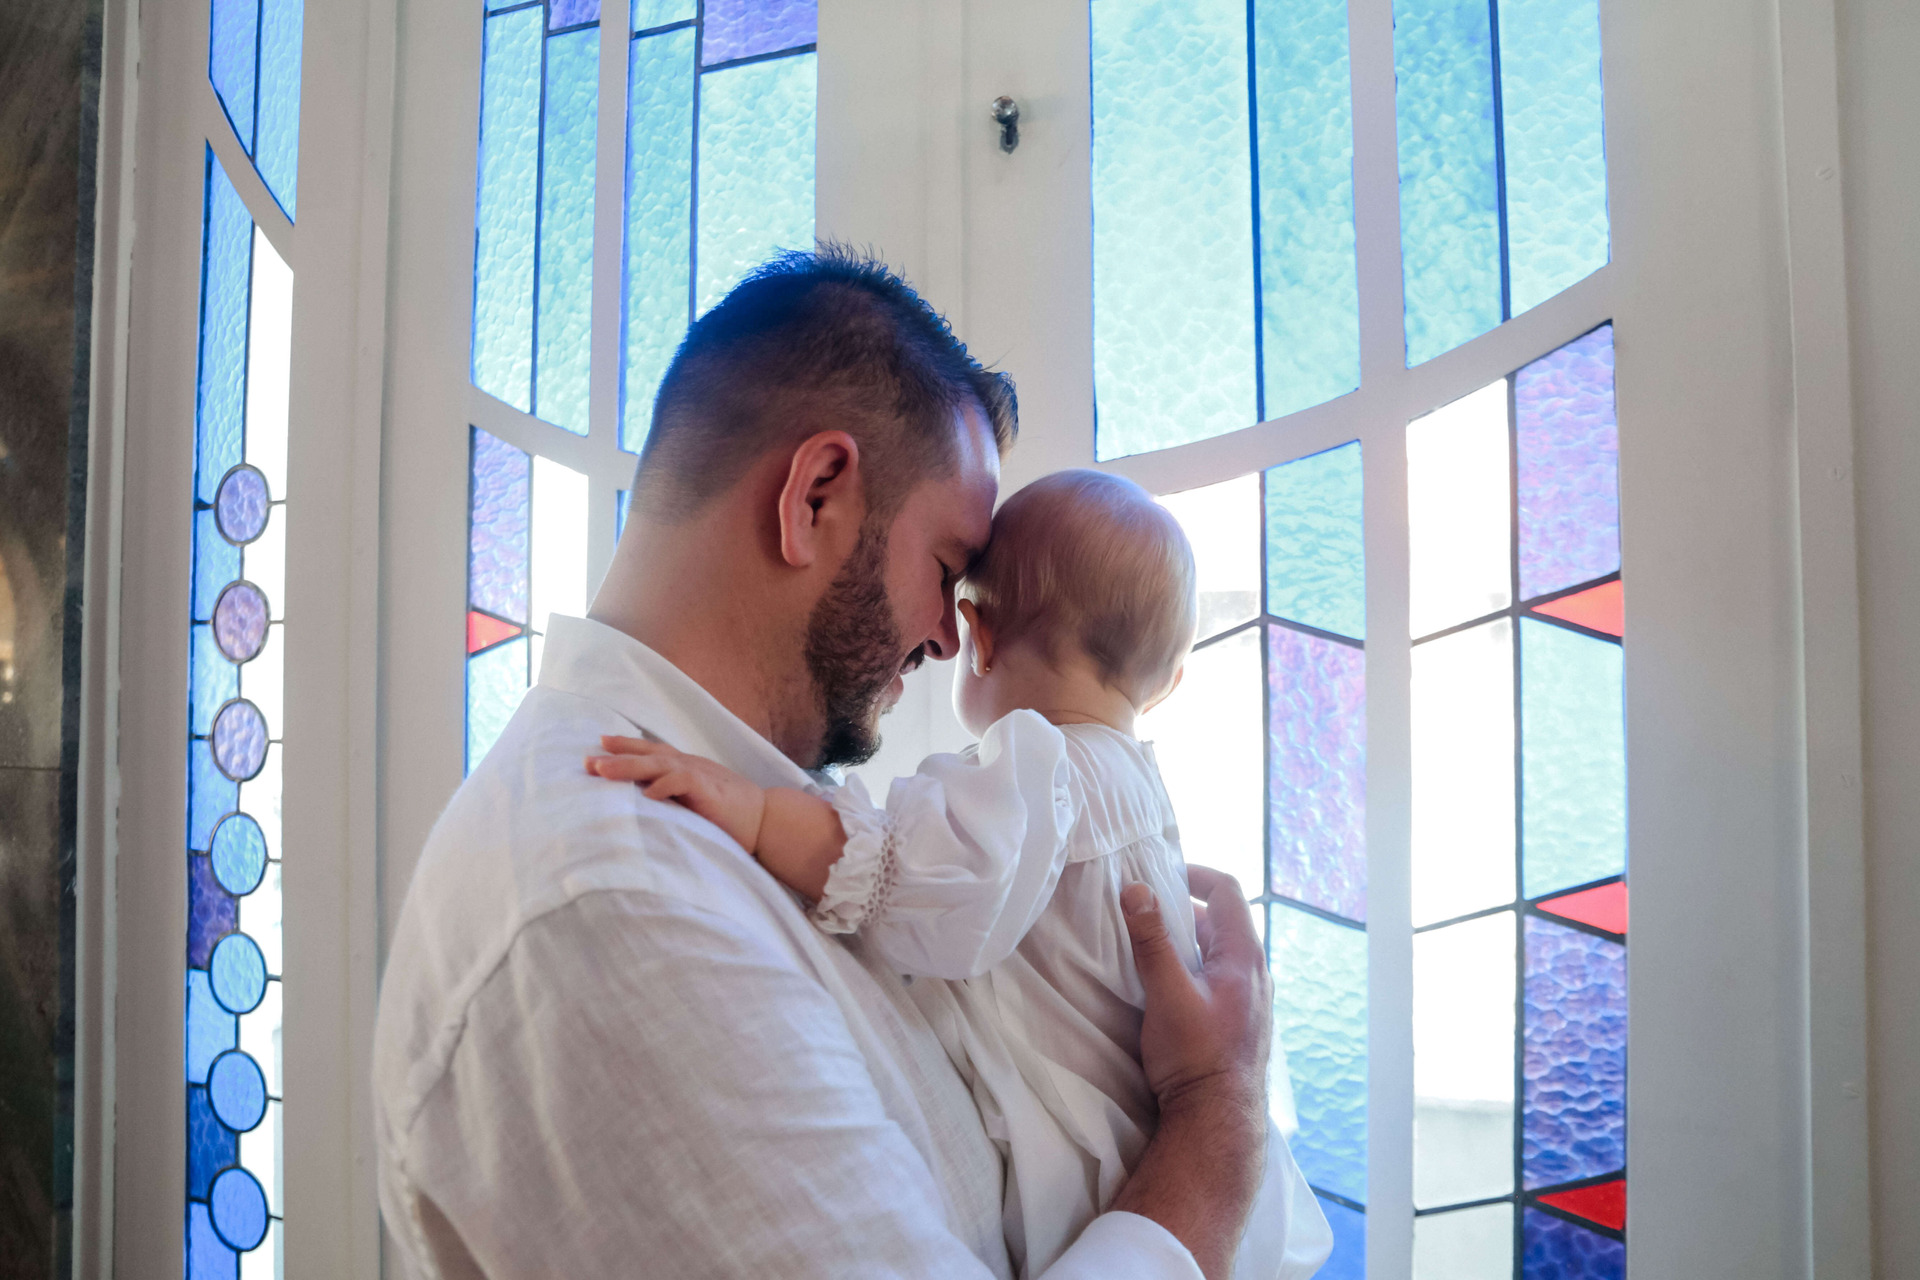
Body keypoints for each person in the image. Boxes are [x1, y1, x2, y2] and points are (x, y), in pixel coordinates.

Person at [372, 248, 1285, 1279]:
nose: (948, 636)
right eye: (949, 570)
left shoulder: (753, 827)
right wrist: (1215, 1121)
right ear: (815, 495)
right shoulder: (614, 892)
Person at [584, 469, 1330, 1278]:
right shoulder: (1141, 789)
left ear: (979, 636)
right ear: (1167, 682)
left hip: (1095, 1178)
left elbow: (902, 871)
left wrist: (760, 813)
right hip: (1170, 1162)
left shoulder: (1037, 770)